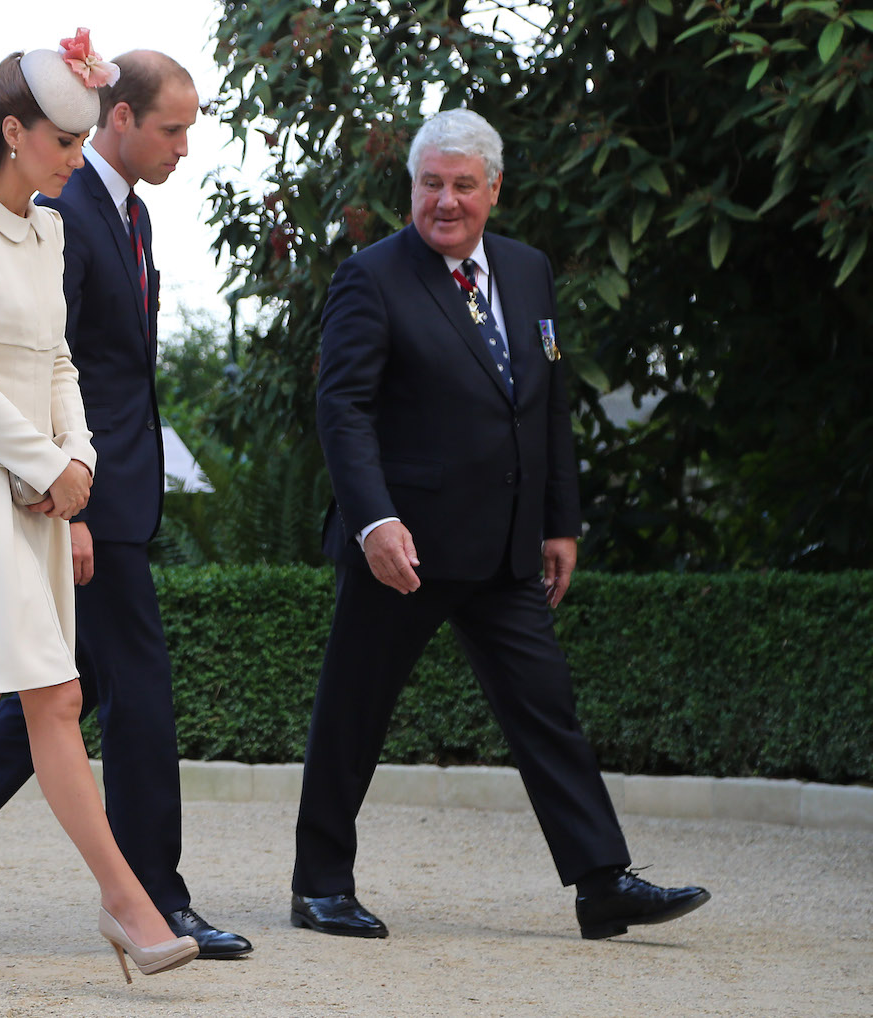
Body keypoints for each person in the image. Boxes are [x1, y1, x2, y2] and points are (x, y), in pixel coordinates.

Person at [0, 49, 252, 961]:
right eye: (65, 140)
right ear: (13, 132)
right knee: (53, 697)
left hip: (40, 489)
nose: (76, 158)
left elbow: (61, 364)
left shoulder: (48, 229)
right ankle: (130, 905)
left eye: (81, 141)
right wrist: (52, 473)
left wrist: (78, 462)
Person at [291, 108, 711, 942]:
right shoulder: (371, 278)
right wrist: (375, 521)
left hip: (508, 545)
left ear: (495, 190)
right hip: (401, 550)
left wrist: (561, 521)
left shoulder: (526, 271)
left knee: (547, 710)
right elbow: (342, 411)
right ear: (412, 186)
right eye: (430, 184)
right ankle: (320, 886)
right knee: (353, 713)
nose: (445, 202)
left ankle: (601, 884)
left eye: (463, 186)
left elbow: (544, 402)